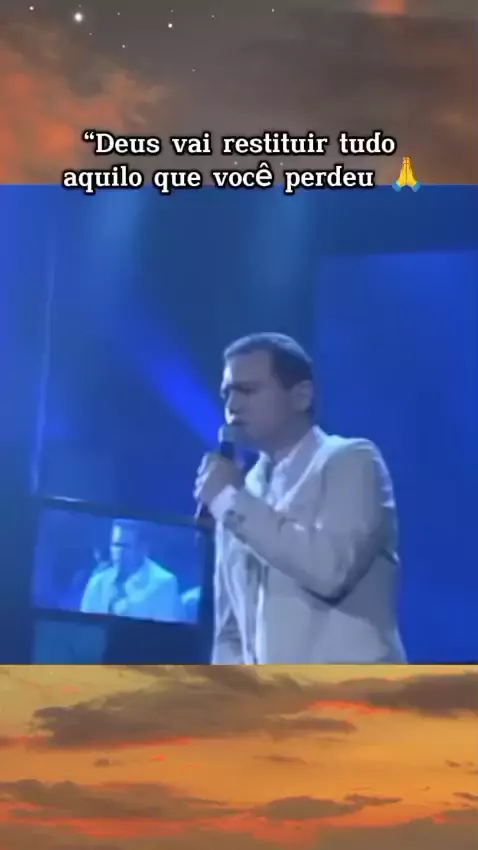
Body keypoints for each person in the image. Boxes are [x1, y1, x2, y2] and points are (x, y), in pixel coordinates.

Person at [194, 332, 406, 664]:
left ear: (301, 395)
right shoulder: (238, 491)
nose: (232, 406)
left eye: (247, 390)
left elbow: (330, 570)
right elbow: (230, 631)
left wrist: (232, 501)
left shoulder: (352, 460)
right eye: (227, 393)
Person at [81, 519, 183, 622]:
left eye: (125, 546)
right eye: (116, 545)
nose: (119, 552)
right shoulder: (97, 582)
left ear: (143, 548)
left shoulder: (164, 584)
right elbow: (84, 624)